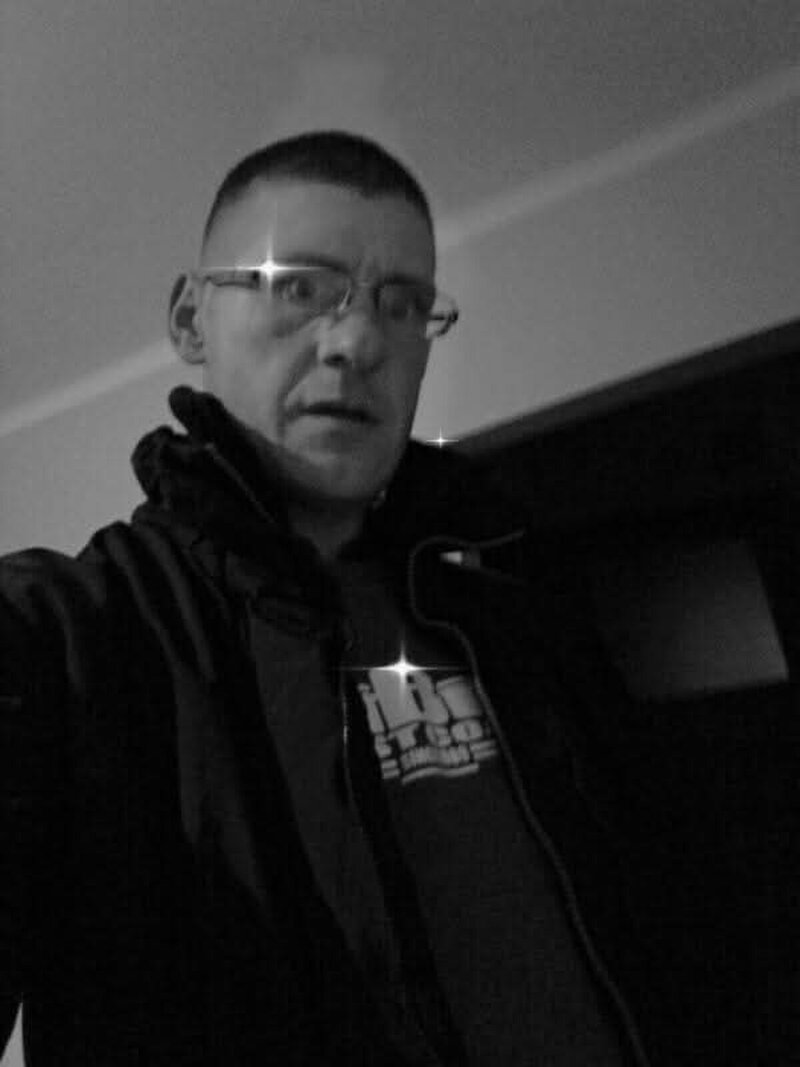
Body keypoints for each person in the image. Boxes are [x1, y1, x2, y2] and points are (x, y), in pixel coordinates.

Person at [0, 131, 776, 1067]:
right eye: (299, 286)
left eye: (402, 303)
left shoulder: (520, 623)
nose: (359, 341)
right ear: (191, 318)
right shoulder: (75, 634)